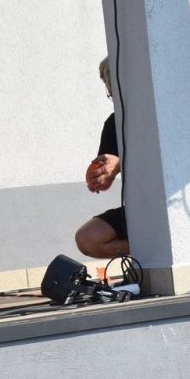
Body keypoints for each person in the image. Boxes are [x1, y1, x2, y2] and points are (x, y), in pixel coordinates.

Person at [73, 58, 129, 259]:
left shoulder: (159, 114)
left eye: (116, 91)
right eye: (111, 94)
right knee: (87, 238)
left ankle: (158, 248)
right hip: (138, 207)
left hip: (170, 205)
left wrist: (121, 163)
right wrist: (102, 178)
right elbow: (107, 168)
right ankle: (148, 250)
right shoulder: (113, 123)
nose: (116, 99)